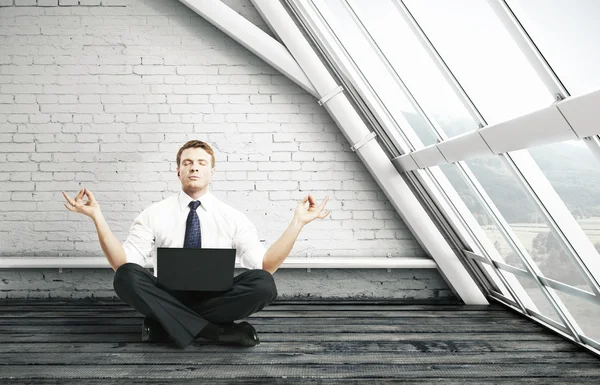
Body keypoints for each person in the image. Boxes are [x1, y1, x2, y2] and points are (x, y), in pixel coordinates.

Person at [62, 140, 330, 349]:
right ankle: (216, 332)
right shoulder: (154, 213)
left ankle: (166, 326)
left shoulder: (233, 217)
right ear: (178, 171)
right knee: (126, 276)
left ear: (211, 172)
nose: (194, 167)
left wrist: (298, 223)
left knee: (263, 284)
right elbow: (123, 262)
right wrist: (97, 217)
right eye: (187, 162)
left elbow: (265, 266)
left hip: (215, 298)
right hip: (166, 295)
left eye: (202, 163)